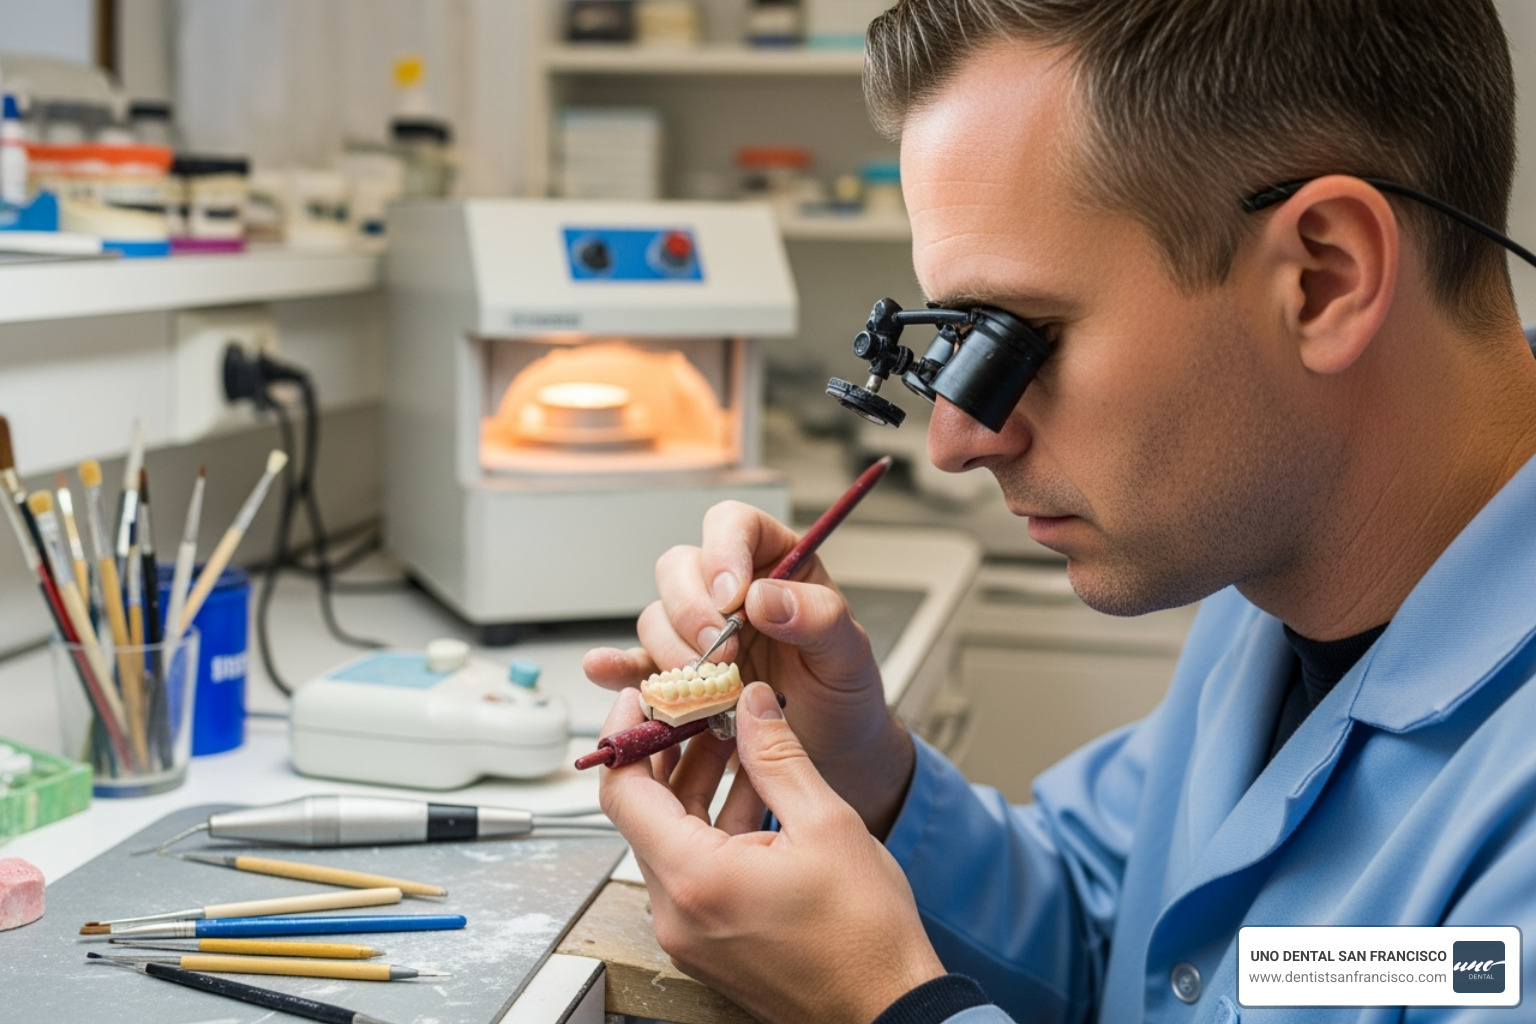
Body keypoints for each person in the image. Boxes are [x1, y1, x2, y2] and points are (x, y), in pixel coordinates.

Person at [583, 1, 1536, 1021]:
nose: (951, 443)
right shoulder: (1280, 561)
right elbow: (1151, 945)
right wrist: (868, 783)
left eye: (1021, 337)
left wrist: (885, 1004)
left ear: (1323, 278)